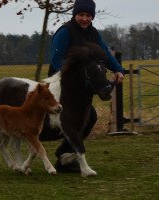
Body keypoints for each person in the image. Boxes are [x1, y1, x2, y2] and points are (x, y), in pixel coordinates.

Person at [48, 0, 125, 172]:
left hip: (82, 86)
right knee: (78, 118)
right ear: (75, 14)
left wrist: (118, 69)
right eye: (81, 15)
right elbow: (55, 59)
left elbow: (104, 53)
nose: (84, 19)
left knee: (90, 117)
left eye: (88, 15)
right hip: (61, 83)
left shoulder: (93, 33)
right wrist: (71, 75)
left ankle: (65, 155)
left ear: (92, 17)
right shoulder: (65, 32)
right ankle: (64, 155)